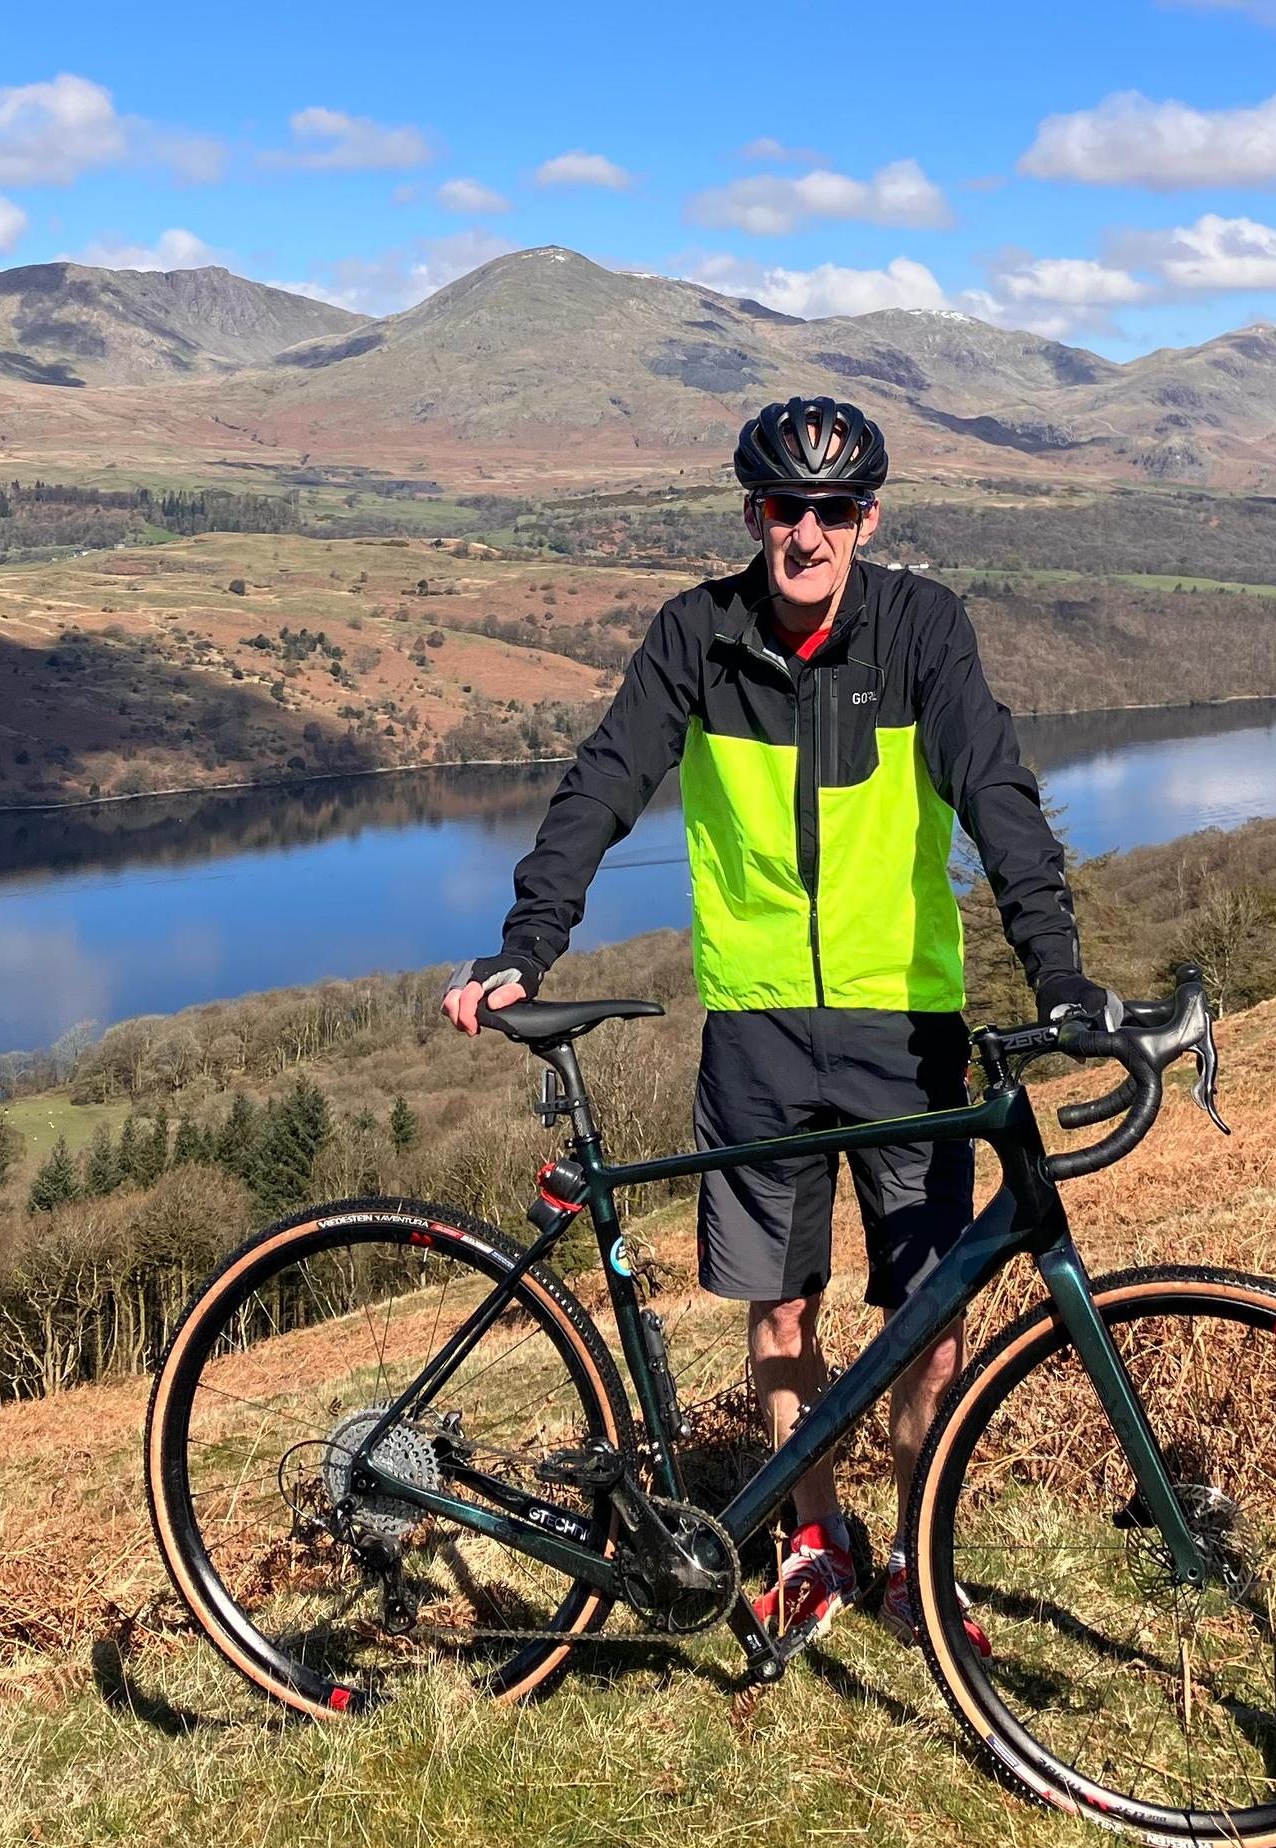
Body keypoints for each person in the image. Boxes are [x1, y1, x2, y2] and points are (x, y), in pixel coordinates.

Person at [444, 395, 1113, 1654]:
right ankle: (814, 1537)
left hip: (904, 1024)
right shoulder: (697, 633)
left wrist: (1058, 970)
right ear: (752, 513)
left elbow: (994, 788)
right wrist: (526, 942)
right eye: (781, 507)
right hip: (754, 1027)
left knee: (929, 1323)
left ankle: (919, 1554)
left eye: (831, 509)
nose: (806, 533)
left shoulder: (921, 629)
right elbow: (604, 781)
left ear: (868, 518)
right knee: (781, 1309)